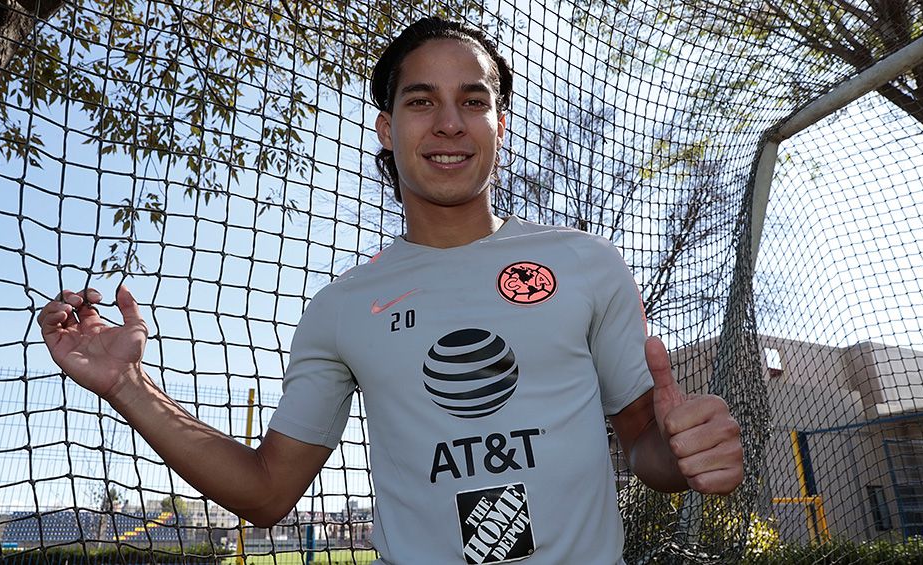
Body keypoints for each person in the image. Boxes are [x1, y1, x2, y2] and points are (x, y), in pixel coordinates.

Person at [37, 17, 743, 565]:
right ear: (386, 126)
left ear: (500, 124)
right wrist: (129, 385)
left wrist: (684, 453)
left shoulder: (587, 264)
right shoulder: (341, 308)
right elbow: (267, 492)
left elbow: (645, 448)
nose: (448, 122)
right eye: (421, 101)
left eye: (473, 101)